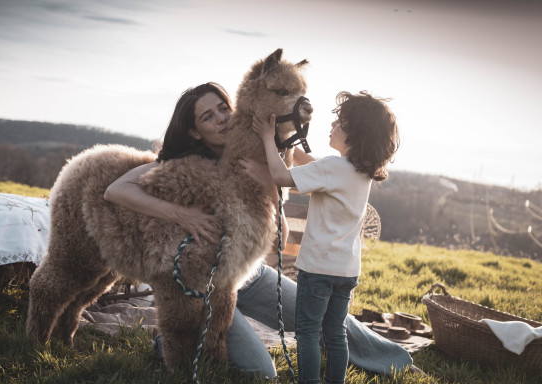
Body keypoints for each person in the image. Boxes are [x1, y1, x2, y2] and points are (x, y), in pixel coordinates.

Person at [104, 84, 412, 380]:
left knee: (329, 320)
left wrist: (273, 197)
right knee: (261, 371)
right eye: (208, 116)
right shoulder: (181, 165)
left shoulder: (253, 153)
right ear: (195, 131)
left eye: (223, 108)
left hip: (251, 276)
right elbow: (116, 190)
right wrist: (184, 215)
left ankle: (398, 362)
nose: (221, 118)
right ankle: (171, 338)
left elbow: (279, 216)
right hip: (211, 286)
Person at [245, 91, 400, 383]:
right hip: (347, 271)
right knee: (335, 333)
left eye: (340, 122)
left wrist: (267, 138)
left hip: (318, 270)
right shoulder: (359, 172)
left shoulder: (332, 168)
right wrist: (289, 149)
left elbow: (281, 177)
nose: (332, 125)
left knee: (306, 332)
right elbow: (311, 163)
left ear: (355, 134)